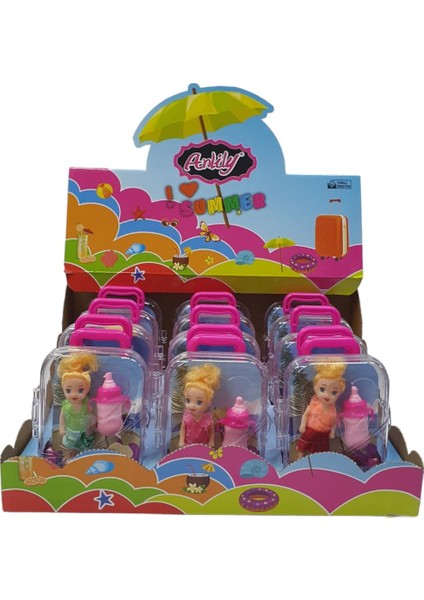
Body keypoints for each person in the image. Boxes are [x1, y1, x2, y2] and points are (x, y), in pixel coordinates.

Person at [297, 362, 346, 458]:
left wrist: (332, 431)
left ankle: (319, 458)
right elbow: (306, 415)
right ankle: (301, 454)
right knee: (305, 443)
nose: (327, 395)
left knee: (321, 447)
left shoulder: (332, 409)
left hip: (324, 432)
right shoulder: (314, 404)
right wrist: (302, 425)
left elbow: (334, 421)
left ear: (339, 393)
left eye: (334, 392)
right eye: (322, 389)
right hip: (311, 429)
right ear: (315, 387)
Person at [58, 353, 99, 450]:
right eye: (68, 390)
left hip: (85, 430)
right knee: (70, 444)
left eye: (80, 390)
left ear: (87, 388)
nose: (74, 394)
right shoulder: (66, 406)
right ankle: (71, 452)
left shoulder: (86, 404)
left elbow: (90, 414)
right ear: (63, 389)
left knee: (86, 444)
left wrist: (93, 421)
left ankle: (85, 453)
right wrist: (62, 427)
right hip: (71, 431)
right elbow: (62, 417)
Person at [178, 363, 221, 448]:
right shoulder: (187, 416)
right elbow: (183, 429)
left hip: (204, 446)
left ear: (209, 402)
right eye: (188, 400)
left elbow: (211, 430)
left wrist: (211, 440)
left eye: (199, 402)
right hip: (188, 445)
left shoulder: (207, 418)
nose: (191, 406)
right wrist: (181, 440)